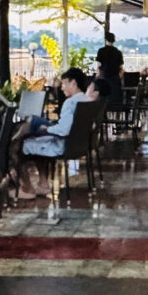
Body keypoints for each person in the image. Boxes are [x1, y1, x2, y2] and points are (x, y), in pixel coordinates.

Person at [13, 68, 94, 198]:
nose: (62, 87)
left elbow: (63, 130)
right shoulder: (87, 101)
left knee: (20, 146)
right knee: (36, 126)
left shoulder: (70, 103)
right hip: (79, 145)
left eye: (64, 83)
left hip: (63, 145)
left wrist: (47, 129)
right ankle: (43, 183)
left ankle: (28, 187)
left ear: (73, 83)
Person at [95, 31, 124, 101]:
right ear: (114, 40)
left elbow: (99, 66)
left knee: (103, 97)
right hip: (115, 78)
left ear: (106, 40)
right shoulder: (118, 52)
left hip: (104, 77)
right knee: (114, 97)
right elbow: (121, 68)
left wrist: (97, 76)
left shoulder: (101, 51)